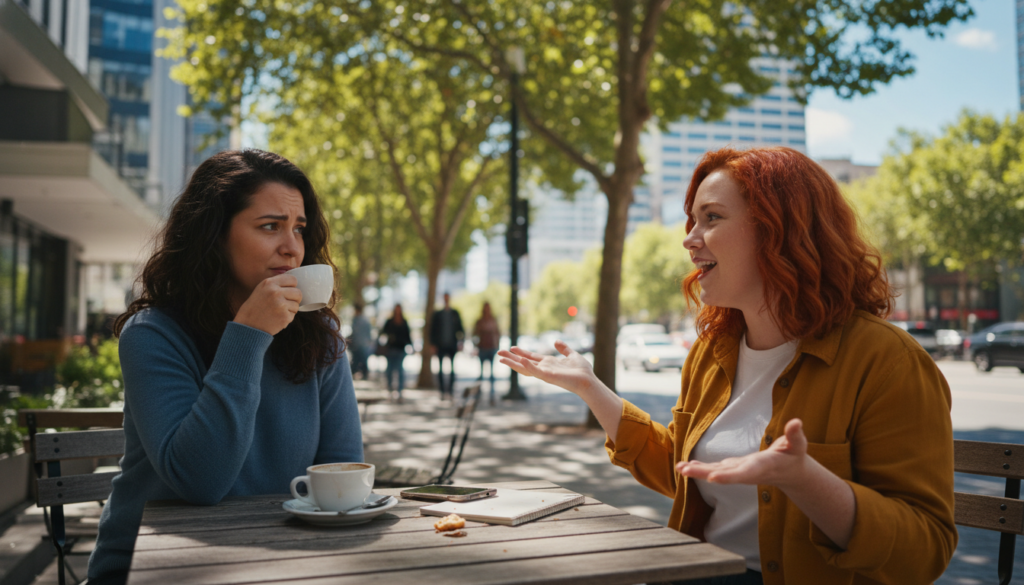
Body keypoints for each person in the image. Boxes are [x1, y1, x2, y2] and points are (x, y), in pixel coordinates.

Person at [499, 147, 956, 585]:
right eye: (692, 221)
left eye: (711, 218)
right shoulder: (712, 350)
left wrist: (806, 480)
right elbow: (684, 472)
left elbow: (926, 550)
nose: (689, 239)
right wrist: (591, 389)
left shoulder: (889, 362)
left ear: (781, 229)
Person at [86, 150, 363, 585]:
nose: (292, 247)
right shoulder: (154, 335)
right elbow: (199, 481)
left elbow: (342, 479)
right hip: (153, 567)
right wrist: (248, 337)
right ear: (215, 235)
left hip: (286, 564)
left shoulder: (318, 337)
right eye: (270, 226)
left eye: (299, 228)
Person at [429, 292, 464, 399]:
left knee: (452, 369)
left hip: (452, 345)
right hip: (440, 345)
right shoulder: (438, 314)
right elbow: (432, 330)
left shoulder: (455, 313)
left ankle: (451, 391)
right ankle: (442, 391)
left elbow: (461, 329)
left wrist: (461, 342)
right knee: (439, 369)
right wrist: (433, 344)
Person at [380, 304, 412, 401]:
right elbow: (382, 333)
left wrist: (410, 345)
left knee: (400, 371)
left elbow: (408, 335)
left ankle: (400, 391)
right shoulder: (389, 322)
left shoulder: (404, 322)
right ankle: (390, 389)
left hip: (400, 349)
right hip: (390, 349)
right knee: (389, 370)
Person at [472, 301, 501, 404]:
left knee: (492, 374)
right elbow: (474, 334)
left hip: (491, 348)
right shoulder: (480, 321)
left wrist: (497, 346)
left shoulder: (493, 320)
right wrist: (475, 346)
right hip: (482, 348)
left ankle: (492, 395)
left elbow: (498, 333)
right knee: (481, 374)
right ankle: (478, 395)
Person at [349, 303, 372, 380]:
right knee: (363, 360)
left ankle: (352, 374)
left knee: (356, 360)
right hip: (364, 344)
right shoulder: (366, 320)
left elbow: (355, 332)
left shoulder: (356, 320)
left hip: (358, 344)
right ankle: (364, 374)